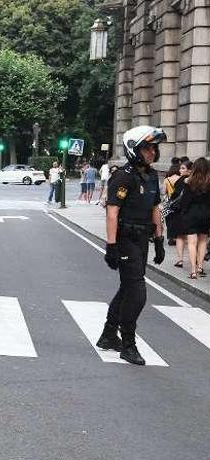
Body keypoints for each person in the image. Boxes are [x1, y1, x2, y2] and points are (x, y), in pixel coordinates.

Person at [98, 125, 167, 366]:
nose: (152, 152)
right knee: (137, 294)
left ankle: (108, 335)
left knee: (127, 288)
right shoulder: (123, 176)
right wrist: (111, 245)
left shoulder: (150, 176)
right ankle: (128, 345)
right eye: (147, 147)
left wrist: (159, 239)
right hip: (126, 240)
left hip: (142, 240)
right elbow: (112, 212)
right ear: (133, 149)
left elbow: (155, 208)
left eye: (154, 148)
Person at [178, 157, 210, 279]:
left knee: (192, 242)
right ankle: (201, 267)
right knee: (203, 241)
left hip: (192, 213)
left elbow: (185, 201)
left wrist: (184, 213)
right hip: (206, 214)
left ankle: (193, 271)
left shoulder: (188, 182)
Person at [164, 161, 190, 259]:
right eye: (180, 168)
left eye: (183, 168)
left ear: (190, 169)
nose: (180, 170)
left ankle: (180, 259)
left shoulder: (182, 180)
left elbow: (167, 192)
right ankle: (198, 264)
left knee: (180, 236)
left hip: (178, 207)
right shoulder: (199, 181)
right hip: (189, 209)